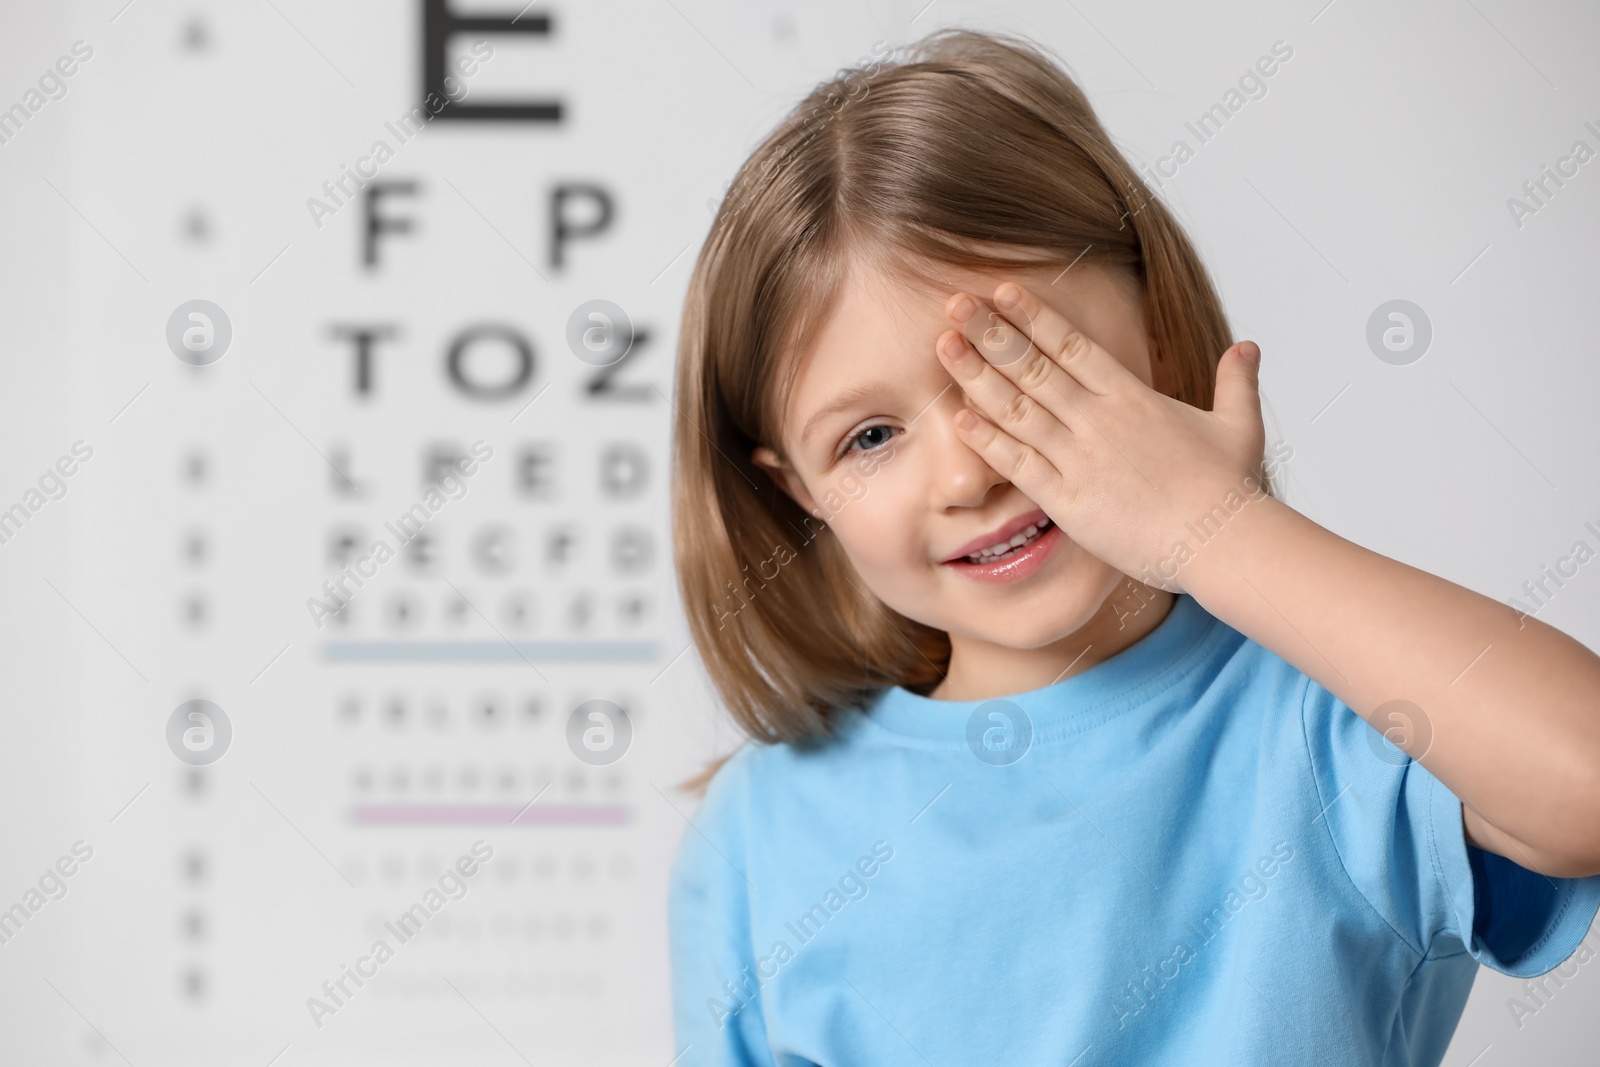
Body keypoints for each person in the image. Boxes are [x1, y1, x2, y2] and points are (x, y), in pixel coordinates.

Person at [665, 26, 1600, 1065]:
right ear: (799, 493)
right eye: (871, 437)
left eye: (1016, 370)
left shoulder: (1335, 725)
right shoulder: (759, 838)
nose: (971, 472)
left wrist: (1214, 525)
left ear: (1153, 328)